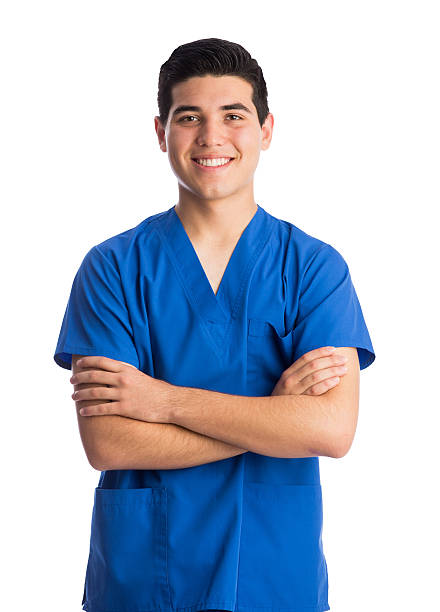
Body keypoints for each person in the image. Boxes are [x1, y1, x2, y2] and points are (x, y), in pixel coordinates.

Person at [54, 38, 375, 612]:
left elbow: (330, 430)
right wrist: (272, 420)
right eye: (189, 117)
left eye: (233, 116)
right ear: (161, 132)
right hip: (146, 578)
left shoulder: (313, 268)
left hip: (274, 577)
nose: (211, 137)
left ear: (266, 130)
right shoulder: (112, 269)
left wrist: (160, 401)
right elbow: (107, 442)